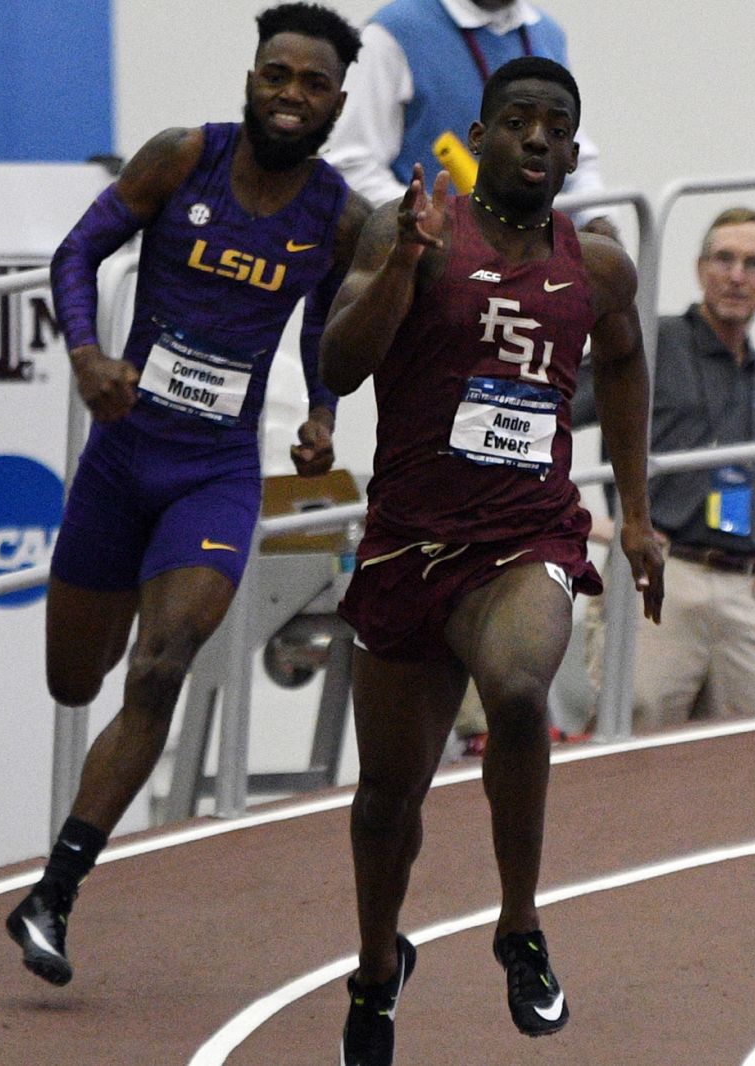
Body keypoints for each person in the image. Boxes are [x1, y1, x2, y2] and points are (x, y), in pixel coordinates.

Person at [5, 2, 368, 988]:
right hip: (123, 456)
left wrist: (324, 412)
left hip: (216, 472)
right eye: (276, 75)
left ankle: (55, 891)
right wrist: (86, 355)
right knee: (76, 680)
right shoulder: (181, 157)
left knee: (162, 665)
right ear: (252, 77)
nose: (291, 96)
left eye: (312, 84)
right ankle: (64, 857)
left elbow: (325, 328)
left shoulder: (335, 214)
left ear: (338, 100)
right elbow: (77, 254)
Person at [318, 56, 663, 1066]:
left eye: (559, 127)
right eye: (519, 123)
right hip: (407, 541)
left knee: (518, 688)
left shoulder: (595, 263)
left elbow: (628, 359)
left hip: (527, 533)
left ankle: (518, 922)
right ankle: (377, 967)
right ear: (481, 132)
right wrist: (397, 267)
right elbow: (338, 363)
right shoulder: (410, 229)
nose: (540, 141)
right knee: (388, 797)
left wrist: (634, 514)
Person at [632, 207, 755, 731]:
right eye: (724, 259)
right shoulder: (653, 344)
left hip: (741, 587)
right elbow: (561, 411)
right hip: (664, 577)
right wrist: (593, 525)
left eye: (753, 263)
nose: (736, 276)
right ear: (701, 269)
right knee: (641, 750)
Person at [322, 0, 613, 227]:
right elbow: (350, 162)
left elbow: (575, 153)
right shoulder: (391, 32)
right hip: (425, 258)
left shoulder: (545, 31)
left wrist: (596, 219)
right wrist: (440, 221)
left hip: (525, 256)